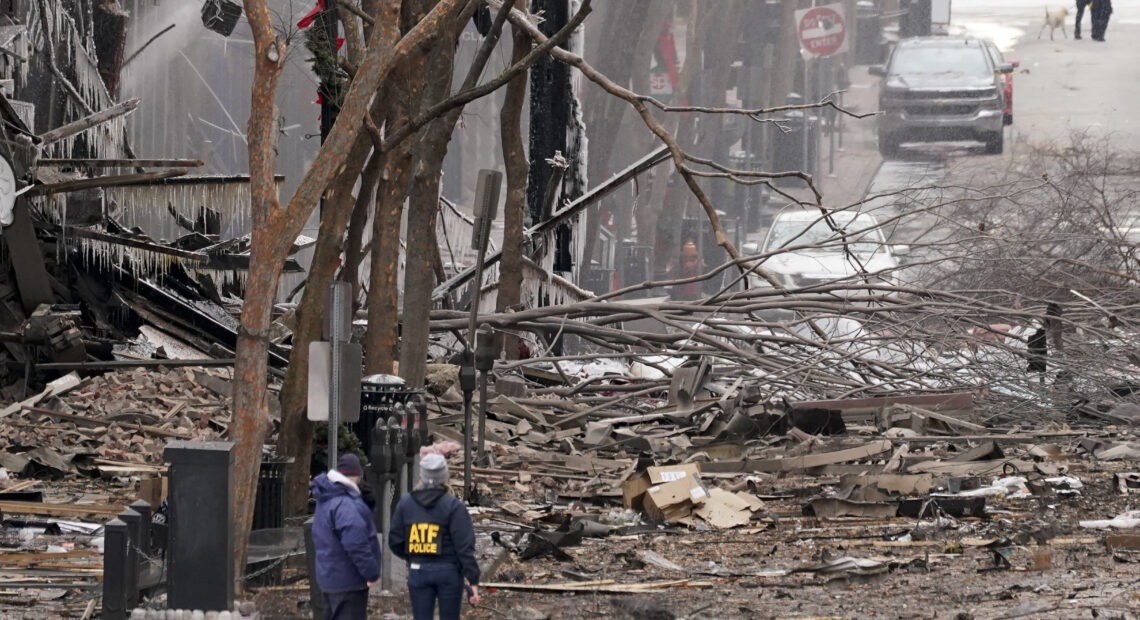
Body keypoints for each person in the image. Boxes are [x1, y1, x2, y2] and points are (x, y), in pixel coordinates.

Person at [389, 453, 481, 620]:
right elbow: (464, 546)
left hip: (419, 571)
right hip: (449, 572)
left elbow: (395, 540)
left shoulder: (406, 504)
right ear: (444, 476)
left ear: (421, 475)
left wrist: (413, 557)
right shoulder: (454, 506)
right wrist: (473, 580)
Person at [311, 453, 382, 620]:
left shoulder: (326, 499)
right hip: (348, 582)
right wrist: (371, 572)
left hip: (329, 578)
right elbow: (356, 544)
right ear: (358, 474)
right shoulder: (346, 504)